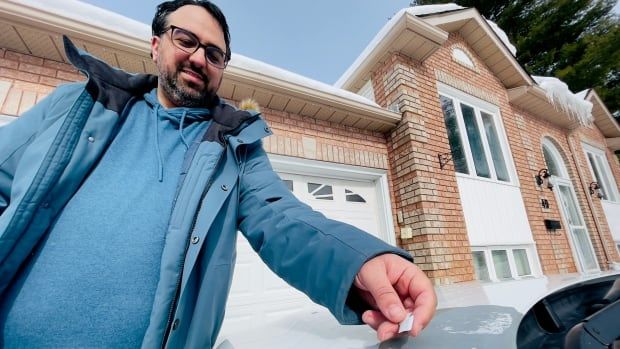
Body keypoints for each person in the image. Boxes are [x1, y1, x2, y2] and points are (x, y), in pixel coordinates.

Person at [0, 0, 437, 347]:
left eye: (214, 53)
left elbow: (280, 217)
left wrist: (360, 260)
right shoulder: (77, 106)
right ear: (156, 45)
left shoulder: (235, 146)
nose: (198, 58)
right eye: (185, 39)